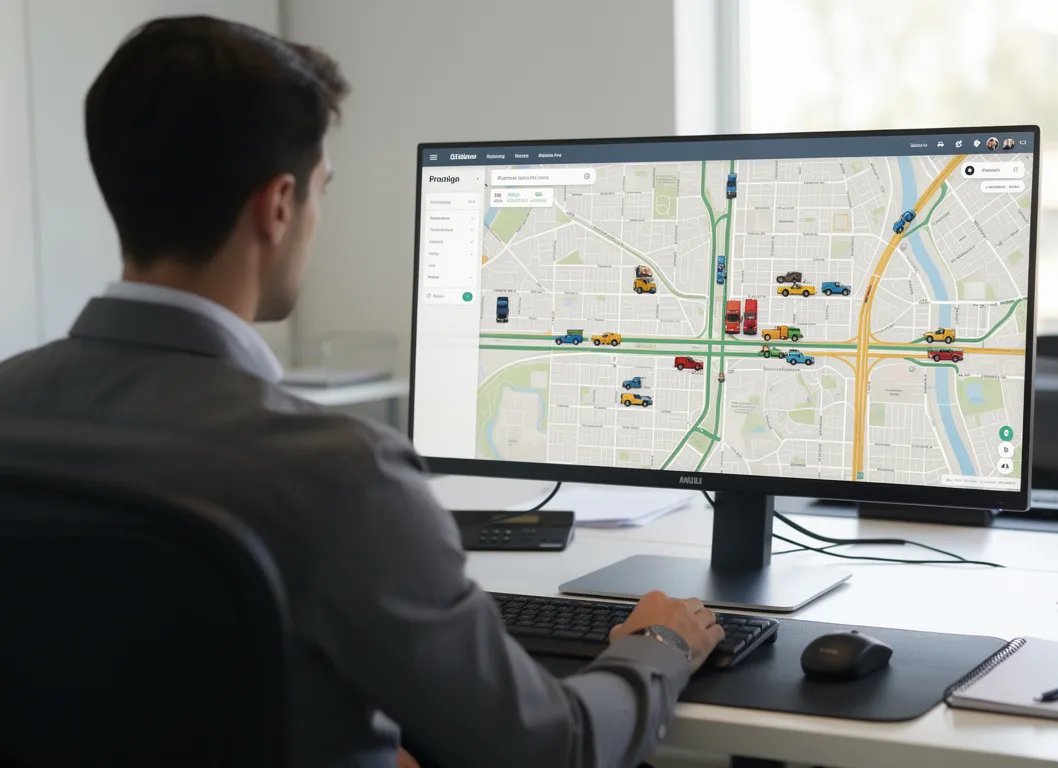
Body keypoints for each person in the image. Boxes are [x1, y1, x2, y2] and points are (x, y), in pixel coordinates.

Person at [0, 16, 723, 768]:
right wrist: (658, 644)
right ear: (279, 205)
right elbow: (551, 749)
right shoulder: (340, 475)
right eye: (321, 190)